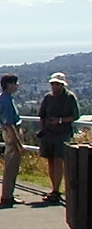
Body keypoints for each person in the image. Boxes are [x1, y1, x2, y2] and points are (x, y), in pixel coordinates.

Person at [37, 71, 80, 204]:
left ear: (62, 85)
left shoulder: (69, 97)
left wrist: (60, 120)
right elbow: (42, 115)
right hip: (48, 133)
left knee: (58, 160)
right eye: (53, 84)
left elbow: (75, 115)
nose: (54, 86)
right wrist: (43, 128)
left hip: (62, 133)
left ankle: (56, 190)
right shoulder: (48, 98)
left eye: (57, 84)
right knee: (50, 160)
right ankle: (54, 188)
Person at [0, 73, 24, 207]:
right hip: (11, 132)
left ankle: (9, 194)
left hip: (9, 132)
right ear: (9, 85)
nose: (17, 86)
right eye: (15, 83)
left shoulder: (3, 98)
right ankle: (7, 196)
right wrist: (18, 142)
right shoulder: (6, 100)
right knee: (12, 166)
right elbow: (9, 123)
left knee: (12, 166)